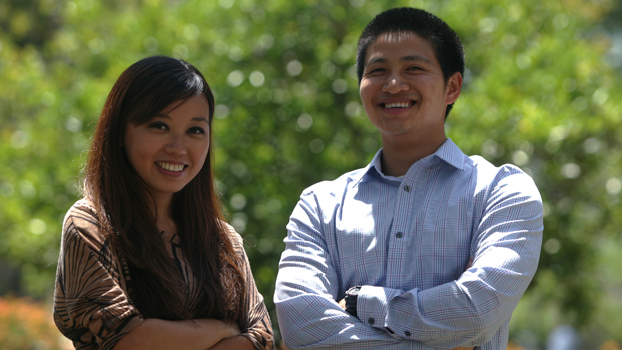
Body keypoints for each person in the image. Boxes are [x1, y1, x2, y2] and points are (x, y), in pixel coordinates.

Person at [274, 7, 543, 350]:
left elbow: (477, 311)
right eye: (378, 70)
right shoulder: (320, 205)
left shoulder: (501, 192)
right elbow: (299, 323)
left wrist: (361, 304)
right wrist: (444, 335)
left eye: (413, 68)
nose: (394, 84)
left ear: (452, 87)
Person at [53, 56, 274, 350]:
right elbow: (128, 340)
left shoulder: (224, 239)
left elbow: (262, 338)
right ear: (120, 131)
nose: (178, 148)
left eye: (195, 130)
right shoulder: (90, 225)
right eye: (159, 126)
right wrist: (223, 329)